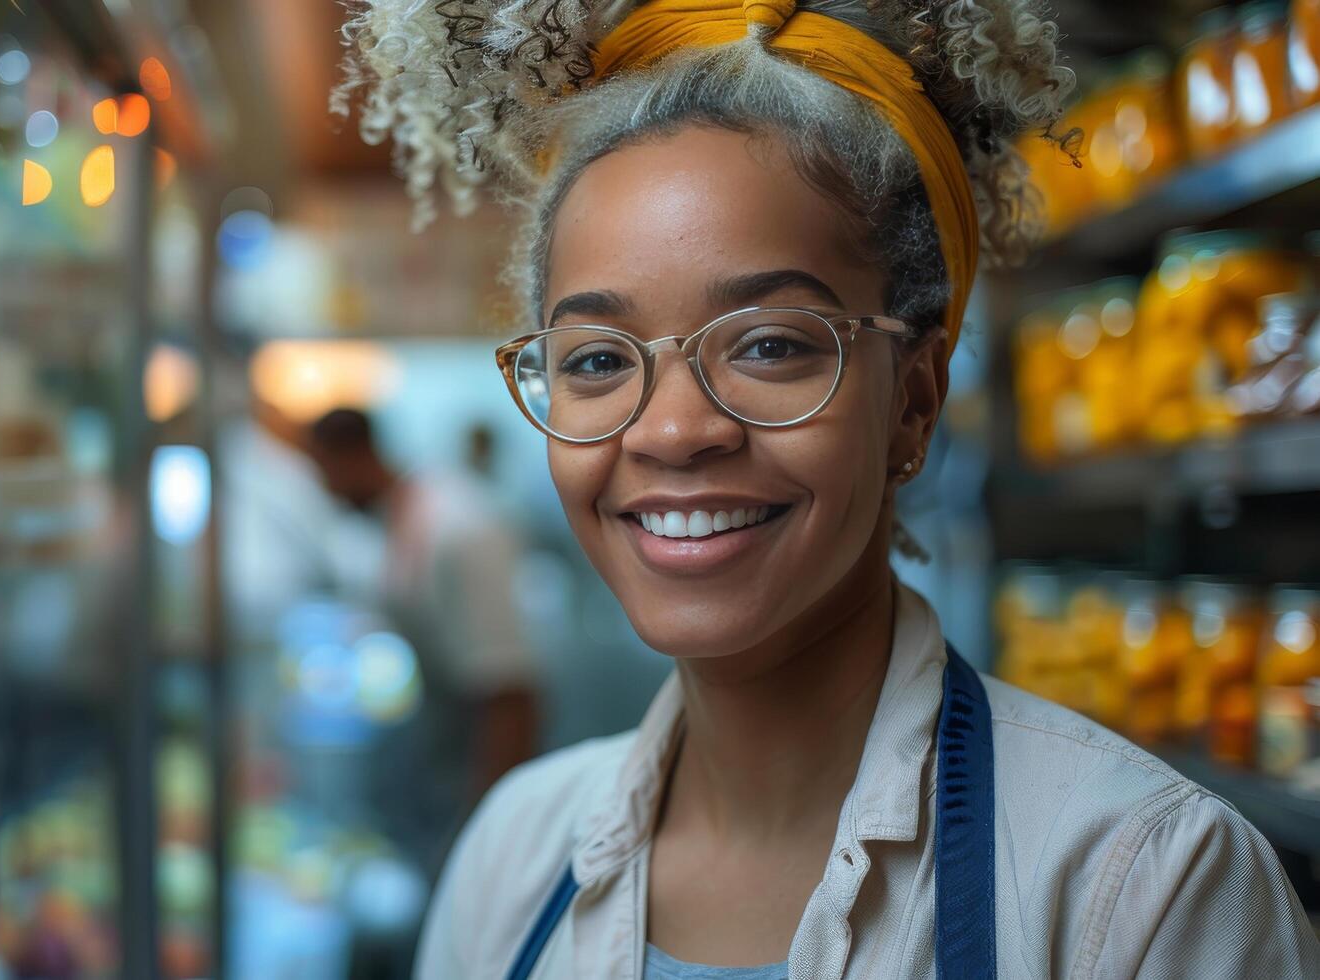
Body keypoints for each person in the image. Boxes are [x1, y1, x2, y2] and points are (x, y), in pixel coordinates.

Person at [335, 1, 1320, 978]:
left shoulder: (1147, 886)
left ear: (914, 402)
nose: (673, 430)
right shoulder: (510, 856)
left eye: (770, 344)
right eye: (596, 359)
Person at [308, 407, 541, 866]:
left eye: (323, 472)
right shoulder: (401, 514)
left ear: (351, 457)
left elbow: (510, 692)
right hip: (446, 744)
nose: (325, 490)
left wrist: (487, 833)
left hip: (482, 753)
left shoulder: (459, 527)